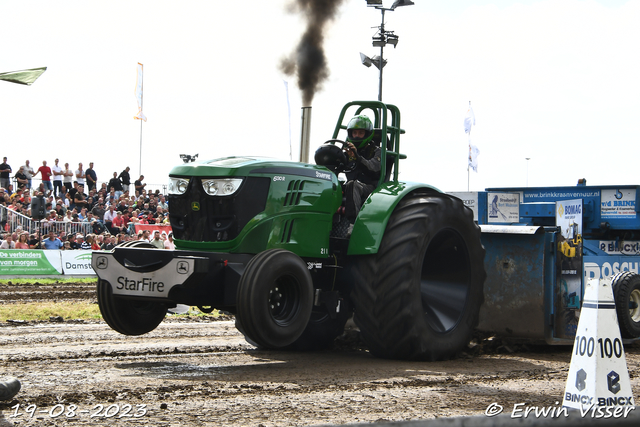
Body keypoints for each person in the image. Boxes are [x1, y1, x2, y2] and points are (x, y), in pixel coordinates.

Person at [341, 115, 381, 227]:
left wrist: (357, 157)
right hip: (350, 186)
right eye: (354, 133)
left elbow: (373, 168)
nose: (356, 136)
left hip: (371, 189)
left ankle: (354, 225)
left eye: (360, 133)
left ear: (367, 134)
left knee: (353, 185)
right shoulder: (348, 152)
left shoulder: (377, 151)